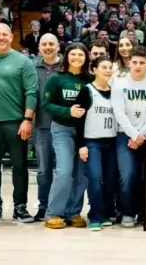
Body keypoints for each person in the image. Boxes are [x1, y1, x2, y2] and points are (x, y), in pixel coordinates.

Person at [0, 22, 39, 224]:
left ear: (12, 37)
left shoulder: (24, 62)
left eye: (5, 34)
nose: (1, 38)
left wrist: (27, 119)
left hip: (16, 122)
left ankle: (20, 207)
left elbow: (31, 92)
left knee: (19, 166)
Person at [112, 45, 146, 227]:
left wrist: (141, 135)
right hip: (124, 135)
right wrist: (134, 135)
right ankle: (127, 212)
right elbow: (119, 113)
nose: (138, 66)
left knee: (145, 175)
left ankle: (144, 211)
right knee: (127, 174)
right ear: (129, 63)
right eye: (134, 62)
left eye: (142, 62)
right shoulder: (119, 84)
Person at [42, 43, 91, 229]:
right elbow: (46, 104)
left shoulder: (90, 79)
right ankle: (53, 213)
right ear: (67, 56)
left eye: (80, 54)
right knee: (64, 171)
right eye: (73, 54)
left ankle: (73, 212)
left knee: (81, 174)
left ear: (86, 58)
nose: (77, 58)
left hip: (85, 132)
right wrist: (67, 111)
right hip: (62, 129)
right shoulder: (56, 78)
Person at [76, 56, 118, 231]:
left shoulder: (116, 91)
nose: (107, 70)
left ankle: (105, 213)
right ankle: (95, 215)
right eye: (103, 67)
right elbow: (78, 120)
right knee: (95, 178)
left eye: (110, 67)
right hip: (92, 142)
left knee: (110, 180)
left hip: (112, 142)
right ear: (94, 70)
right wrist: (81, 145)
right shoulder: (87, 91)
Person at [32, 34, 61, 221]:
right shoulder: (32, 67)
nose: (48, 47)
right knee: (43, 171)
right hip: (42, 126)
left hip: (64, 127)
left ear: (58, 46)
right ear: (39, 47)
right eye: (44, 44)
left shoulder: (67, 65)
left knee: (63, 171)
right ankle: (43, 206)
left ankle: (61, 206)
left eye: (51, 43)